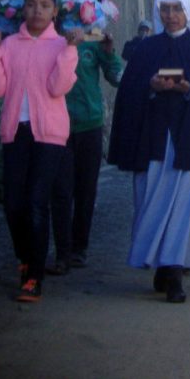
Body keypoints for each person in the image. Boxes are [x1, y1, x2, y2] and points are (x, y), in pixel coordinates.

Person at [107, 0, 190, 303]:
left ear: (188, 10)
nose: (171, 15)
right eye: (165, 9)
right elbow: (129, 94)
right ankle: (158, 264)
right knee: (149, 201)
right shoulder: (146, 50)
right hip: (152, 140)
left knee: (184, 208)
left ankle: (176, 271)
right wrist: (151, 87)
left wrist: (189, 90)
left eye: (177, 9)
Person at [0, 0, 81, 302]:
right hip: (16, 131)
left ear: (55, 12)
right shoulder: (10, 44)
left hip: (49, 135)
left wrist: (69, 51)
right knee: (13, 204)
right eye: (31, 4)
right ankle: (25, 257)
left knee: (38, 202)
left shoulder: (61, 46)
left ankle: (34, 276)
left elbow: (57, 88)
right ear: (22, 9)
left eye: (44, 5)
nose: (37, 10)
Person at [48, 32, 122, 274]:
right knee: (60, 191)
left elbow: (117, 78)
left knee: (86, 190)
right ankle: (62, 252)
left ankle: (79, 248)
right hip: (58, 125)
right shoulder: (50, 39)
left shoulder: (93, 40)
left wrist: (109, 51)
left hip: (90, 124)